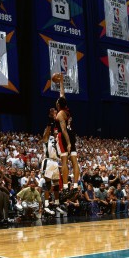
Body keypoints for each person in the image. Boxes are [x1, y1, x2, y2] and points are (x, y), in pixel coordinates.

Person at [53, 73, 80, 202]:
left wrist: (68, 143)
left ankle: (64, 188)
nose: (57, 101)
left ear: (58, 105)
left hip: (65, 137)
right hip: (72, 134)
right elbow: (62, 94)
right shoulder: (66, 108)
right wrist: (61, 82)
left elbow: (63, 130)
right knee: (74, 161)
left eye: (57, 102)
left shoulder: (59, 114)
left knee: (64, 161)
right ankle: (75, 186)